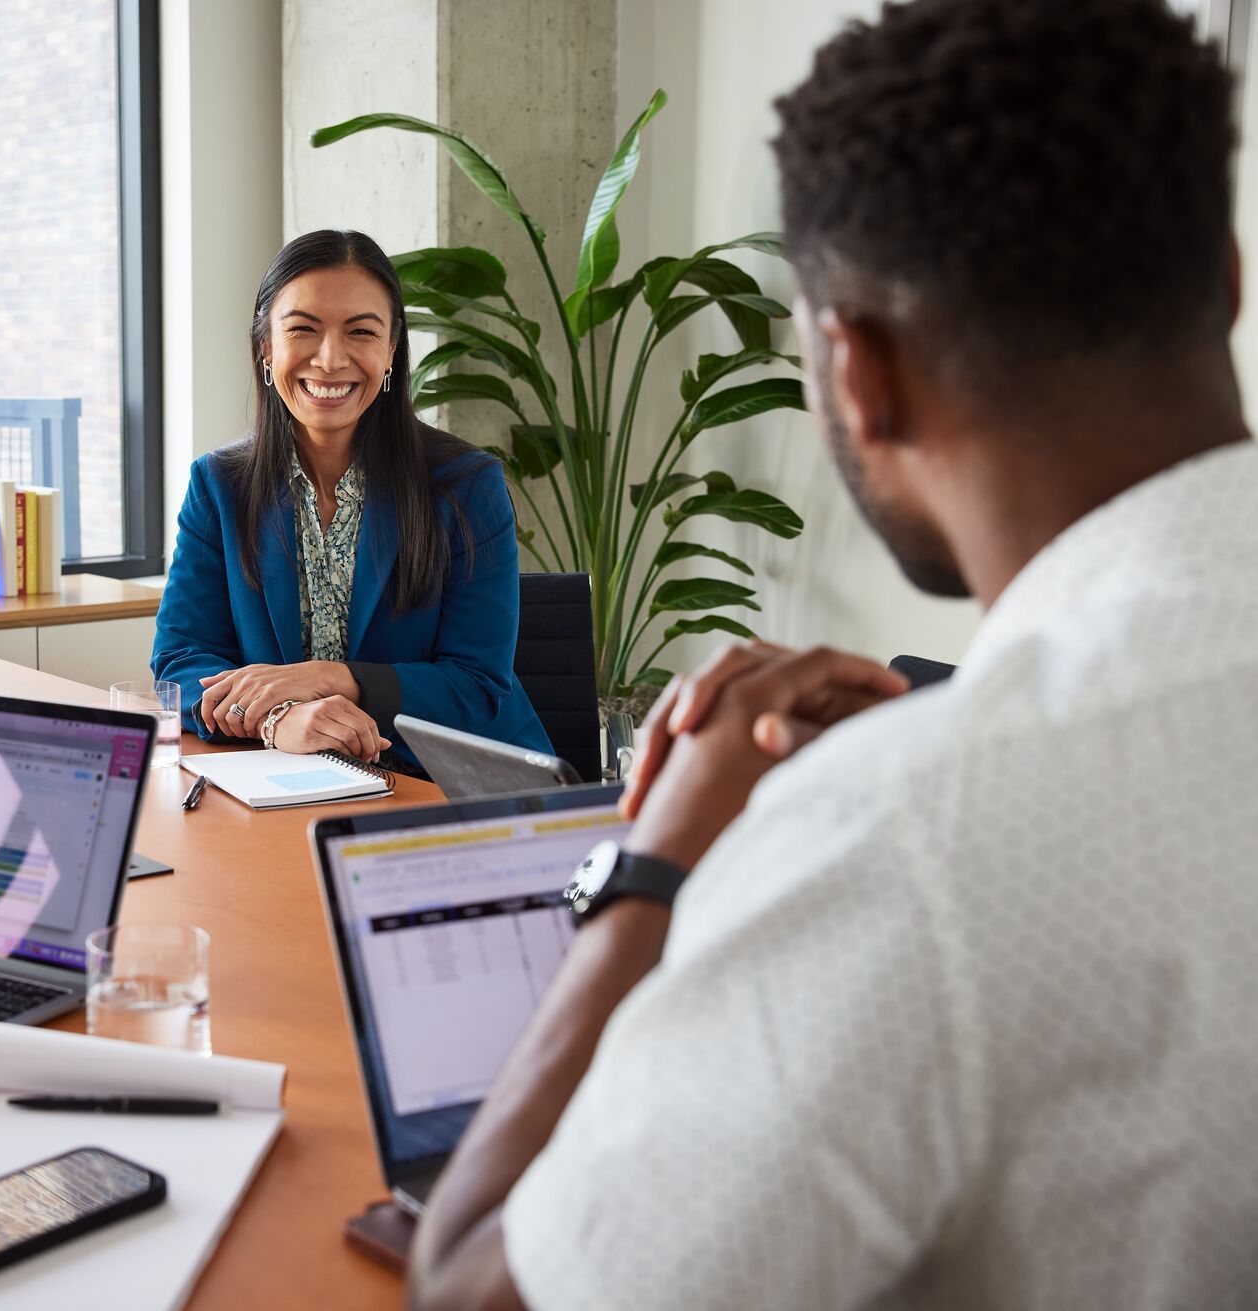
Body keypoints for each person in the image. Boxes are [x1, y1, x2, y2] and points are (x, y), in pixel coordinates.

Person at [408, 0, 1258, 1306]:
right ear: (1226, 278)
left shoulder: (902, 837)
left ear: (852, 369)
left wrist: (653, 866)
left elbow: (469, 1285)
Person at [151, 229, 551, 769]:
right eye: (303, 330)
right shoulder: (220, 485)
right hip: (288, 782)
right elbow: (181, 660)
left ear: (390, 351)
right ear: (267, 348)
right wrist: (279, 719)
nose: (330, 359)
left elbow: (476, 686)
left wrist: (335, 678)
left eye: (361, 331)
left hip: (446, 783)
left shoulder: (467, 485)